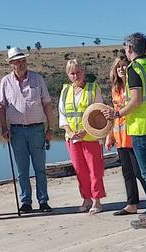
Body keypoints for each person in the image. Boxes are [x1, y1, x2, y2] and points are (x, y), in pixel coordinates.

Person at [103, 33, 146, 228]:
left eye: (125, 48)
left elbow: (136, 100)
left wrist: (117, 114)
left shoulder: (134, 69)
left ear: (130, 48)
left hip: (141, 128)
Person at [0, 47, 56, 214]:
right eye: (17, 61)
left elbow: (47, 104)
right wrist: (3, 128)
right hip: (17, 131)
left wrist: (50, 128)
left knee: (40, 168)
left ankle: (43, 201)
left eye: (23, 60)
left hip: (37, 129)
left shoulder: (37, 79)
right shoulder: (5, 82)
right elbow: (1, 107)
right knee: (22, 169)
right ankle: (26, 202)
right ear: (11, 64)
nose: (21, 64)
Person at [59, 59, 106, 215]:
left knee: (95, 170)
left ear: (83, 72)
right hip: (72, 138)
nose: (75, 76)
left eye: (78, 72)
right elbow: (63, 115)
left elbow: (99, 113)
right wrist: (70, 132)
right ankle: (86, 198)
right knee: (80, 171)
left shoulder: (93, 89)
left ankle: (97, 200)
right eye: (72, 73)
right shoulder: (65, 91)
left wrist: (87, 131)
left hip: (91, 137)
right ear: (68, 74)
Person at [106, 56, 146, 216]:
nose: (121, 69)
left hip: (133, 133)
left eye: (124, 66)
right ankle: (132, 204)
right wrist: (110, 135)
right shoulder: (115, 89)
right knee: (127, 172)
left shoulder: (133, 85)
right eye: (118, 67)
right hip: (120, 135)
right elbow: (112, 114)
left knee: (139, 171)